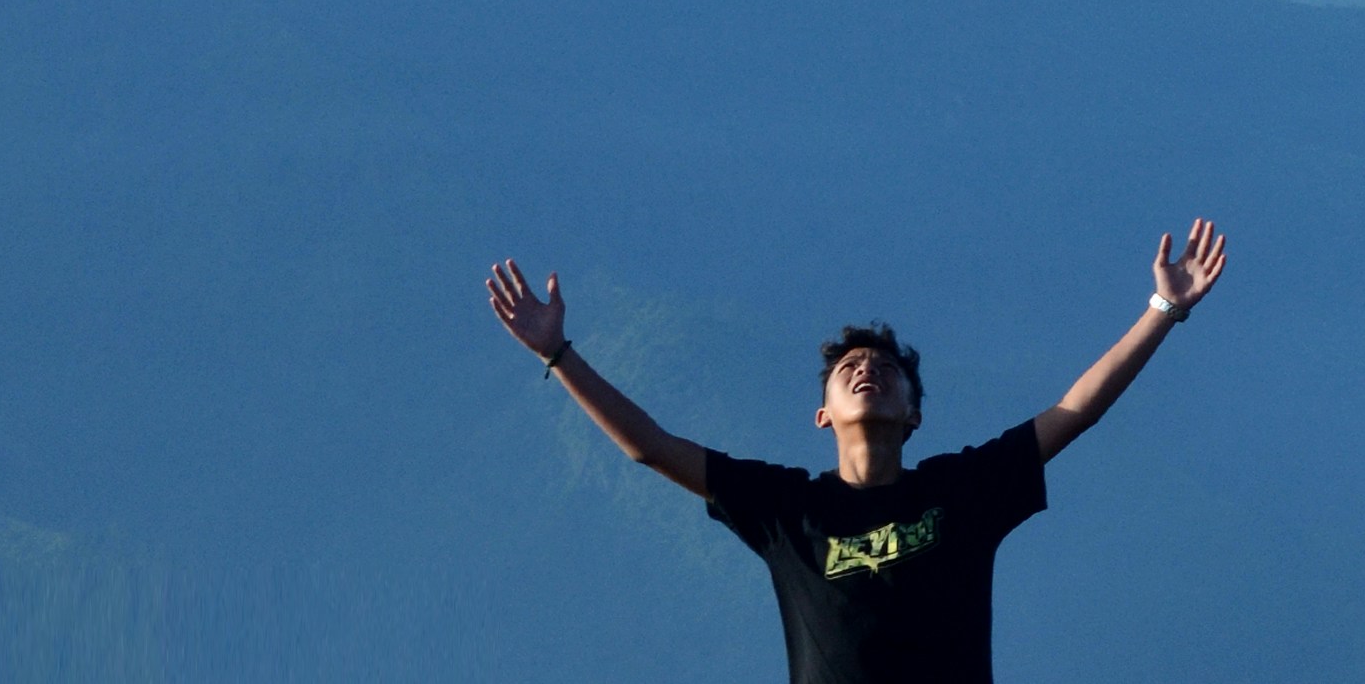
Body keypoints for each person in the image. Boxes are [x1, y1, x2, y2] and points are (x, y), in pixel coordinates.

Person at [486, 218, 1226, 684]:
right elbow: (650, 447)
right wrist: (559, 355)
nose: (867, 370)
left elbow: (1075, 411)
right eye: (849, 371)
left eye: (886, 370)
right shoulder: (786, 511)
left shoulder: (962, 492)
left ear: (914, 415)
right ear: (822, 415)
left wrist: (1162, 310)